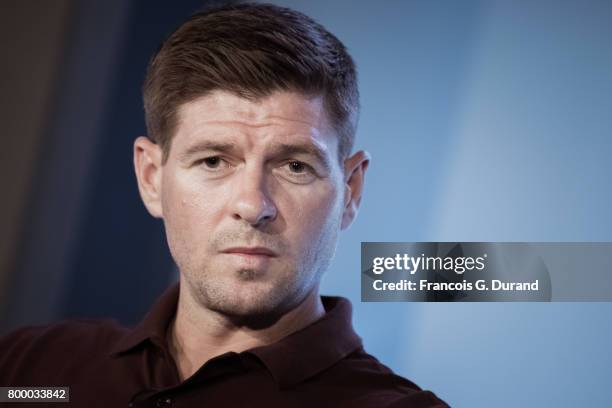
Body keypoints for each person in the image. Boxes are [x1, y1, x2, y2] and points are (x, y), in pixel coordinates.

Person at [0, 3, 449, 407]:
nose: (253, 205)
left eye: (295, 166)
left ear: (350, 191)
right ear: (152, 178)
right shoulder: (31, 371)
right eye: (214, 160)